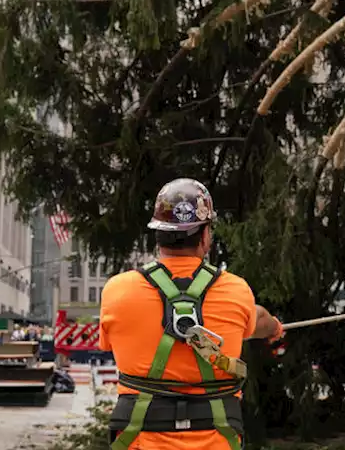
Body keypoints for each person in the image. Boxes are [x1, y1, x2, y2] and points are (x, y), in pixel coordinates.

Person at [99, 178, 285, 450]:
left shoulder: (117, 291)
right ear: (205, 235)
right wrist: (276, 329)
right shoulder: (236, 290)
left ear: (158, 233)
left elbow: (108, 344)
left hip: (139, 438)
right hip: (216, 438)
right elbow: (259, 321)